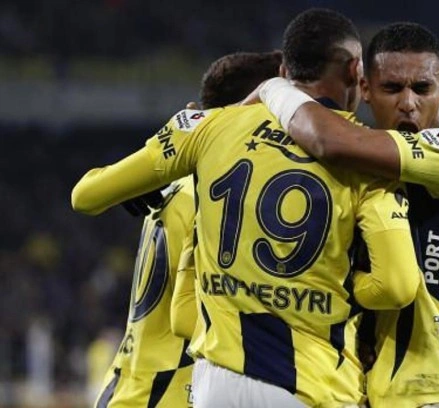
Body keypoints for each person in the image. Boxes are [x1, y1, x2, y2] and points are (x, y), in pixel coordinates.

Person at [72, 8, 420, 407]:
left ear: (285, 73)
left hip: (209, 383)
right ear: (356, 70)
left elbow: (86, 195)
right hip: (310, 384)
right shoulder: (366, 154)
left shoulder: (207, 131)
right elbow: (396, 286)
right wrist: (339, 286)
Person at [254, 22, 439, 408]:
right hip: (357, 389)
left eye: (422, 88)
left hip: (437, 388)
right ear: (365, 89)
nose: (408, 103)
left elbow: (329, 138)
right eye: (392, 88)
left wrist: (273, 88)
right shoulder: (353, 170)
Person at [91, 50, 283, 408]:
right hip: (169, 391)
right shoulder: (224, 193)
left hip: (130, 385)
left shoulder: (182, 183)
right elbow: (191, 318)